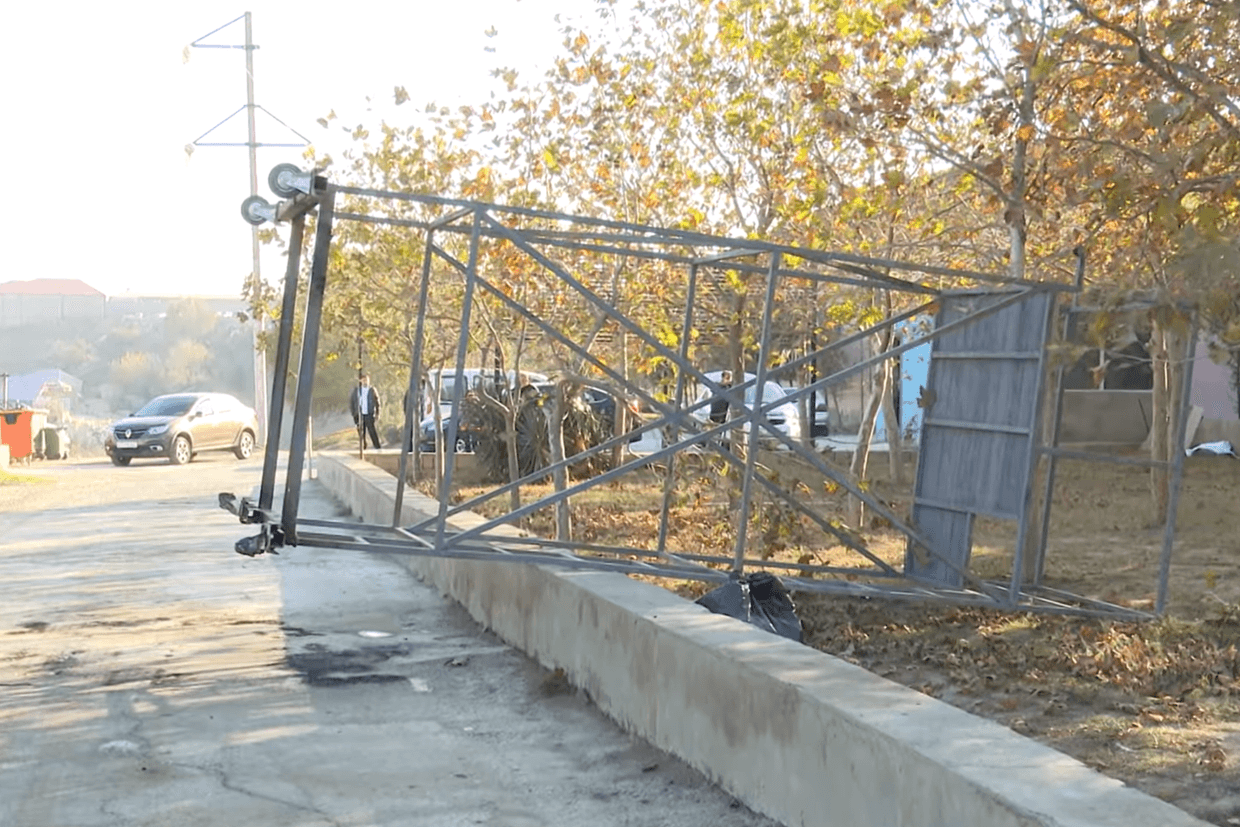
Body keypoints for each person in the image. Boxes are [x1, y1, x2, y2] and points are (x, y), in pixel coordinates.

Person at [350, 373, 382, 450]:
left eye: (367, 380)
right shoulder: (356, 391)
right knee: (361, 432)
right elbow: (352, 402)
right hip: (359, 414)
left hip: (369, 414)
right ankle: (363, 446)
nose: (365, 381)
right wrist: (353, 413)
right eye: (364, 380)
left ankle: (377, 446)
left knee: (372, 431)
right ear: (360, 380)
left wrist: (377, 413)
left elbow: (377, 403)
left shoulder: (372, 390)